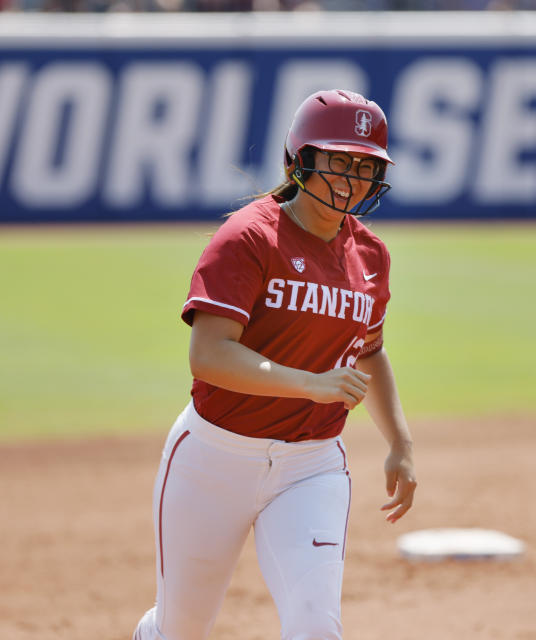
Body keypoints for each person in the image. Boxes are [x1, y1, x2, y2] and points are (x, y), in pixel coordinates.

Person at [133, 89, 417, 640]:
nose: (352, 177)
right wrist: (309, 384)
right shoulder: (248, 236)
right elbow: (209, 354)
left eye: (366, 165)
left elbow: (371, 351)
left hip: (312, 466)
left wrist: (400, 443)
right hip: (214, 457)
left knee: (316, 626)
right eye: (338, 160)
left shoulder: (371, 255)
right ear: (299, 160)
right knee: (182, 629)